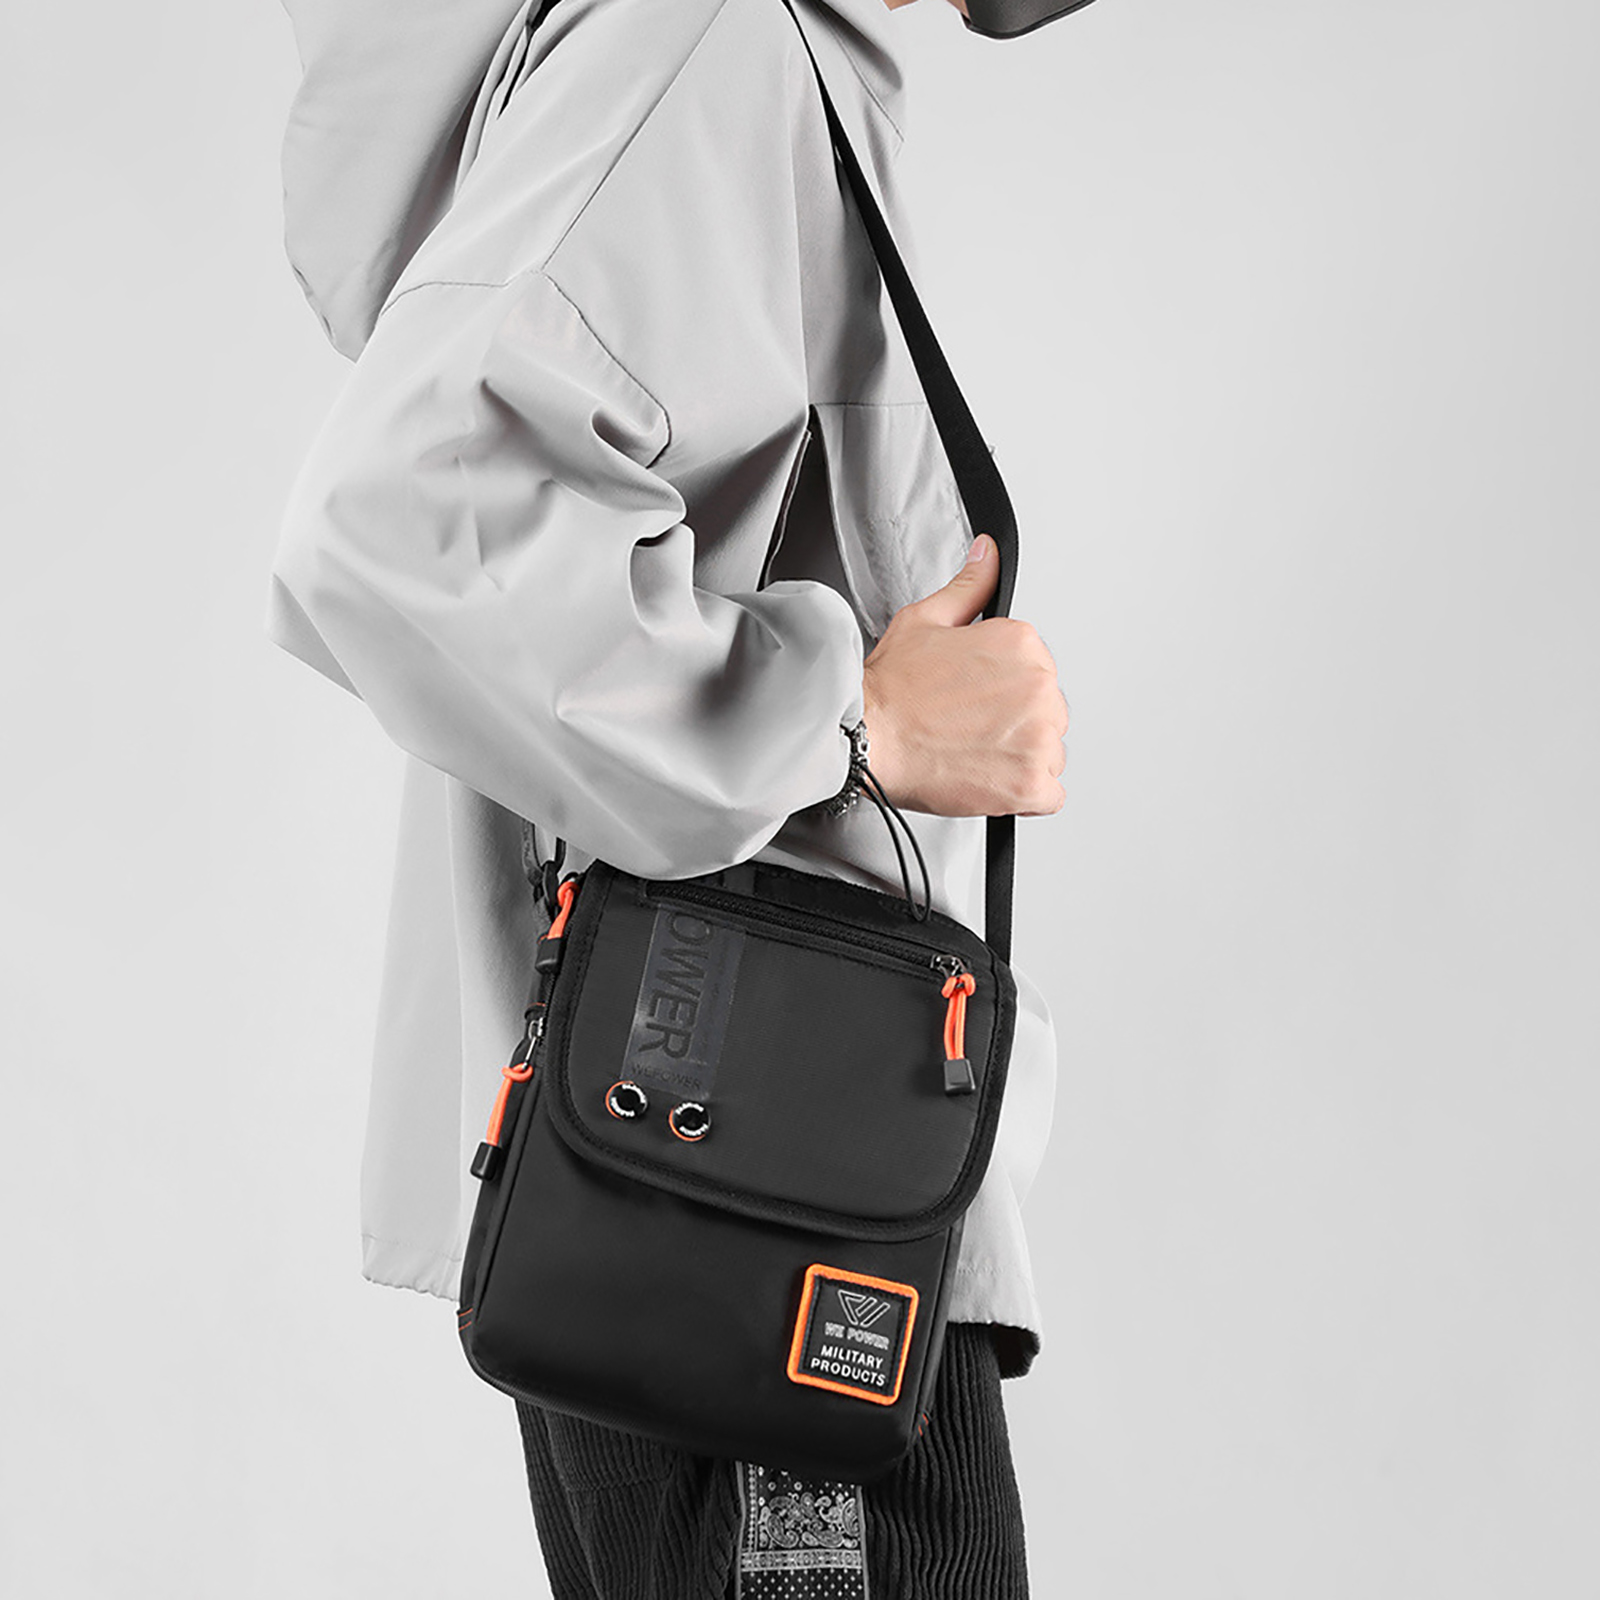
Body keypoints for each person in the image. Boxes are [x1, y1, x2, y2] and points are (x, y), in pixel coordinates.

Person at [267, 0, 1071, 1591]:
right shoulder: (712, 40)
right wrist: (851, 720)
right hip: (770, 1214)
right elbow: (400, 523)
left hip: (702, 1180)